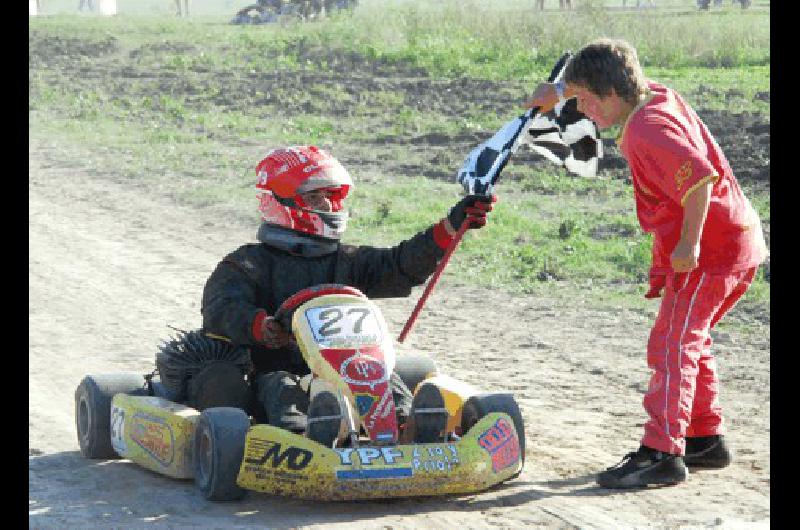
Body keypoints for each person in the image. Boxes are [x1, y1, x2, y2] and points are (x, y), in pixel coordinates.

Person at [524, 39, 767, 488]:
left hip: (711, 252)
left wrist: (689, 246)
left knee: (671, 347)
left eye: (583, 103)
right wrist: (557, 92)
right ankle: (703, 439)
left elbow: (699, 182)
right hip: (738, 241)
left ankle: (662, 452)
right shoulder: (652, 94)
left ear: (608, 96)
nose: (583, 112)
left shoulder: (646, 130)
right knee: (689, 340)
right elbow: (608, 66)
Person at [199, 145, 496, 445]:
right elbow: (220, 308)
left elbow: (401, 264)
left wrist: (452, 226)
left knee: (379, 376)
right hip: (280, 369)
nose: (327, 207)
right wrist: (260, 325)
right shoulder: (249, 264)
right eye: (314, 198)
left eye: (330, 197)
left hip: (346, 368)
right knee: (281, 387)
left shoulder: (348, 259)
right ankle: (308, 436)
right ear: (280, 202)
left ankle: (409, 428)